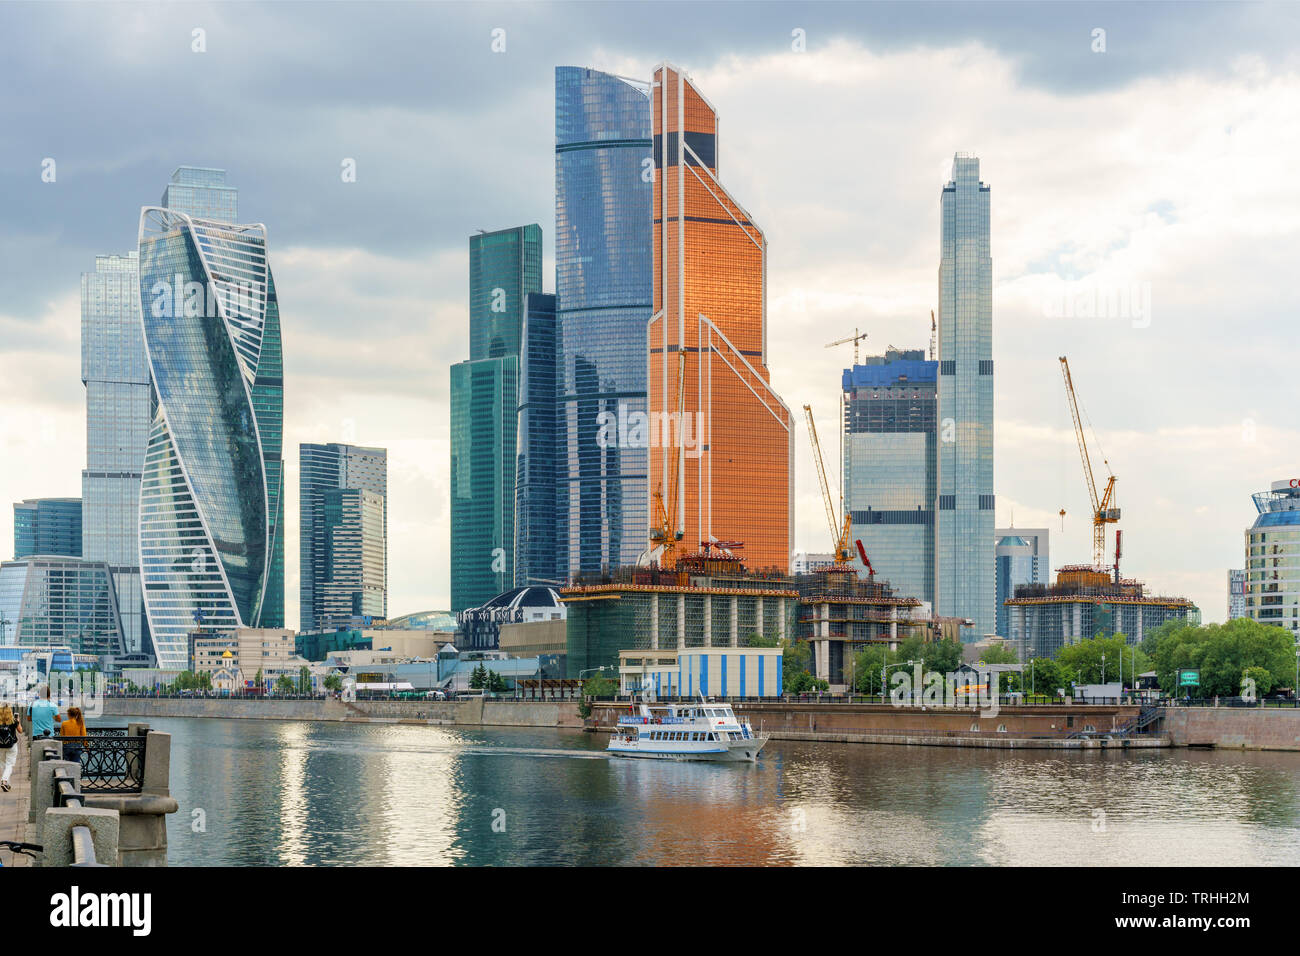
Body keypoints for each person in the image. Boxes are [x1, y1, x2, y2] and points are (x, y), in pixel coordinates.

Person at [0, 704, 22, 793]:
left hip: (0, 746)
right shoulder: (13, 721)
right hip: (12, 746)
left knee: (3, 764)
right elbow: (20, 731)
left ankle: (6, 784)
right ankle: (4, 781)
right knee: (9, 764)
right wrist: (18, 721)